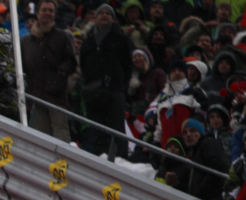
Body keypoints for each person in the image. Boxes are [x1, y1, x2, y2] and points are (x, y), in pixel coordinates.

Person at [80, 5, 135, 156]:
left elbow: (127, 66)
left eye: (108, 13)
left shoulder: (121, 39)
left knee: (117, 131)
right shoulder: (88, 41)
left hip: (114, 91)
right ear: (95, 17)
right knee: (97, 132)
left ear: (112, 18)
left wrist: (119, 85)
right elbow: (83, 64)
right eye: (101, 13)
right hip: (93, 92)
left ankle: (121, 162)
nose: (104, 15)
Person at [21, 0, 77, 141]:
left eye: (51, 11)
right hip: (35, 94)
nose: (47, 13)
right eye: (44, 10)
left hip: (56, 94)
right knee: (41, 136)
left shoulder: (61, 36)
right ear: (38, 13)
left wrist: (58, 76)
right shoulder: (25, 41)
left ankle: (63, 162)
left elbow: (71, 62)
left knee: (60, 133)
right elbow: (20, 65)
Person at [171, 118, 228, 200]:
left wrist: (201, 194)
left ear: (200, 132)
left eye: (192, 130)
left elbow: (217, 168)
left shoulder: (208, 142)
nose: (188, 135)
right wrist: (176, 183)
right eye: (184, 132)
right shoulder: (196, 152)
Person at [129, 48, 167, 116]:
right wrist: (131, 89)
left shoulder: (157, 73)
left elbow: (164, 93)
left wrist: (151, 104)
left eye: (139, 56)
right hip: (137, 114)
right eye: (134, 57)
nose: (137, 59)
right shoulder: (132, 76)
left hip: (153, 112)